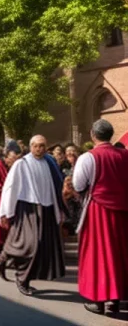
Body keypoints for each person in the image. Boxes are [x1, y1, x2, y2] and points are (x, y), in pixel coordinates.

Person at [0, 135, 65, 296]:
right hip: (27, 207)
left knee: (33, 245)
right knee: (31, 245)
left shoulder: (48, 163)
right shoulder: (22, 163)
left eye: (42, 146)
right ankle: (22, 279)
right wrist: (5, 212)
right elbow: (10, 188)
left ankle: (2, 260)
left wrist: (57, 210)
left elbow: (52, 188)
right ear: (31, 146)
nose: (39, 149)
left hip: (46, 208)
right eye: (36, 146)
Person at [73, 119, 128, 316]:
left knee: (98, 255)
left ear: (92, 135)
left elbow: (78, 184)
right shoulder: (125, 155)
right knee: (119, 255)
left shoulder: (88, 157)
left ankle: (99, 300)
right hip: (123, 212)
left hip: (98, 211)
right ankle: (115, 301)